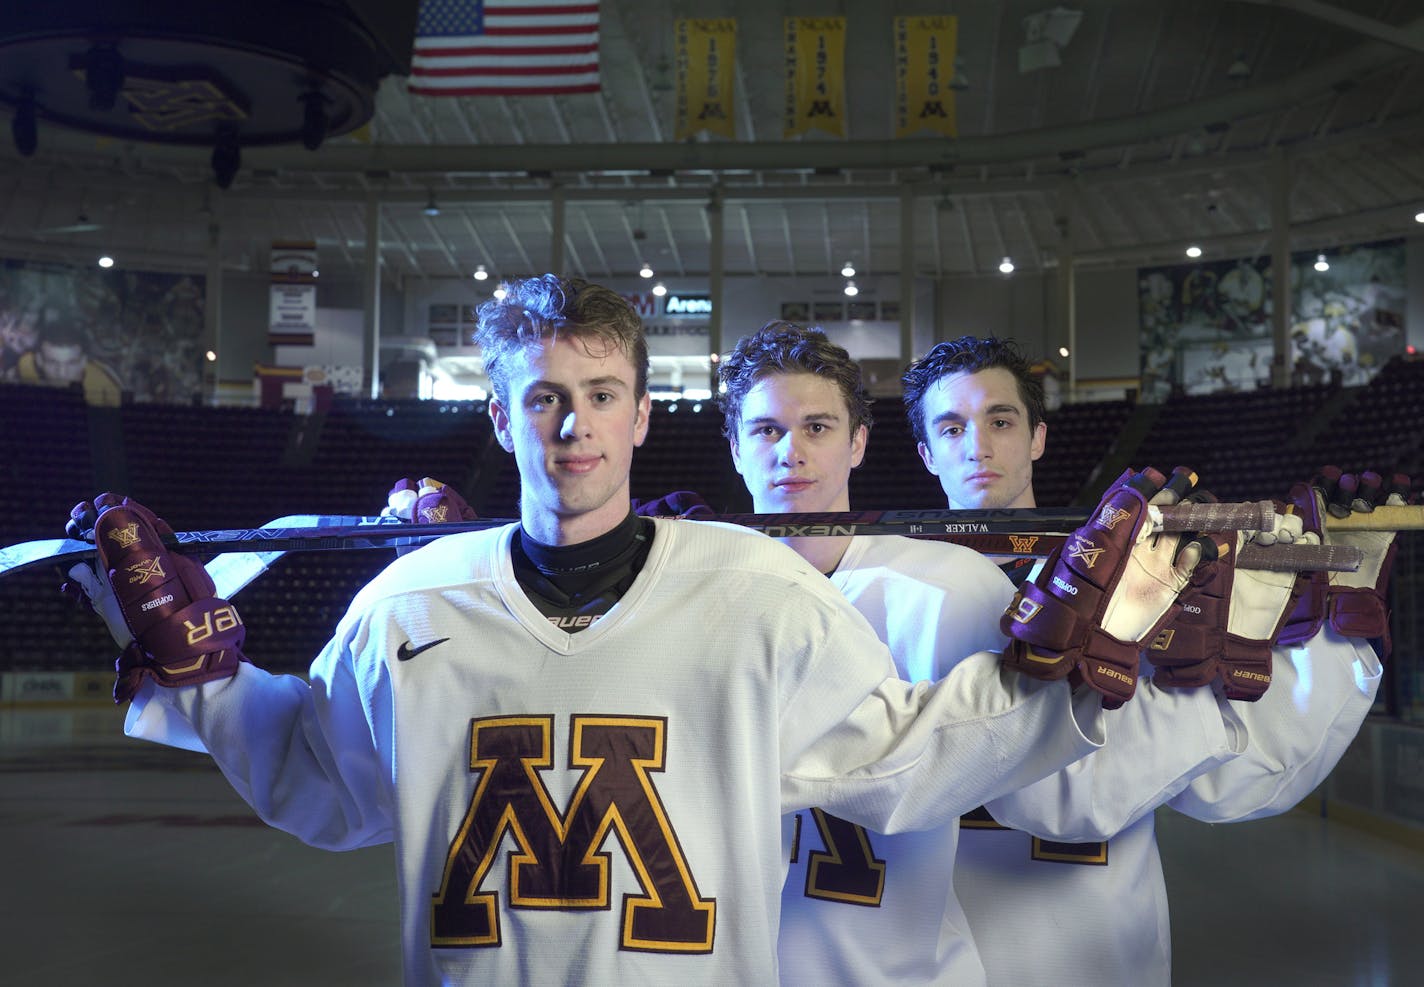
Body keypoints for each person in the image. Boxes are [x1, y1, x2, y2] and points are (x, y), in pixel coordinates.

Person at [63, 276, 1152, 985]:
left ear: (640, 413)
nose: (573, 424)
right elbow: (323, 783)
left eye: (600, 393)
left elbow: (900, 762)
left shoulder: (756, 594)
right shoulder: (411, 602)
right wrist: (204, 678)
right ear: (497, 414)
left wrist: (1062, 677)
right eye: (541, 397)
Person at [716, 322, 1267, 985]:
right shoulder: (704, 591)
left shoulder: (950, 589)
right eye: (767, 430)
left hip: (1063, 934)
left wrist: (1266, 684)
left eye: (817, 427)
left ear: (858, 441)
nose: (791, 454)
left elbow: (1111, 786)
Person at [901, 335, 1399, 985]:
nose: (979, 444)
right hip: (933, 953)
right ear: (925, 452)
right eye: (952, 425)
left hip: (1105, 949)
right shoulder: (886, 589)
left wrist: (1337, 638)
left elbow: (1230, 784)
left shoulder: (1147, 573)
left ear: (1038, 436)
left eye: (1001, 420)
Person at [15, 317, 122, 405]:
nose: (62, 373)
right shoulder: (26, 365)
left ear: (83, 362)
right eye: (52, 363)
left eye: (71, 363)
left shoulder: (106, 388)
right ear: (39, 360)